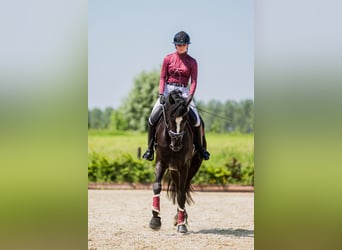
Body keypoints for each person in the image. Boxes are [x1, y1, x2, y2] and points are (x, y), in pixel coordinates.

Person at [142, 31, 210, 161]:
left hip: (184, 91)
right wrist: (161, 93)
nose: (181, 46)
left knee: (197, 120)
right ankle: (150, 149)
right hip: (168, 90)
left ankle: (200, 148)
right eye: (178, 44)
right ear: (175, 45)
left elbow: (194, 81)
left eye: (183, 44)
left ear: (187, 45)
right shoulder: (168, 58)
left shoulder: (192, 62)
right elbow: (162, 77)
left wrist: (190, 95)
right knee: (152, 118)